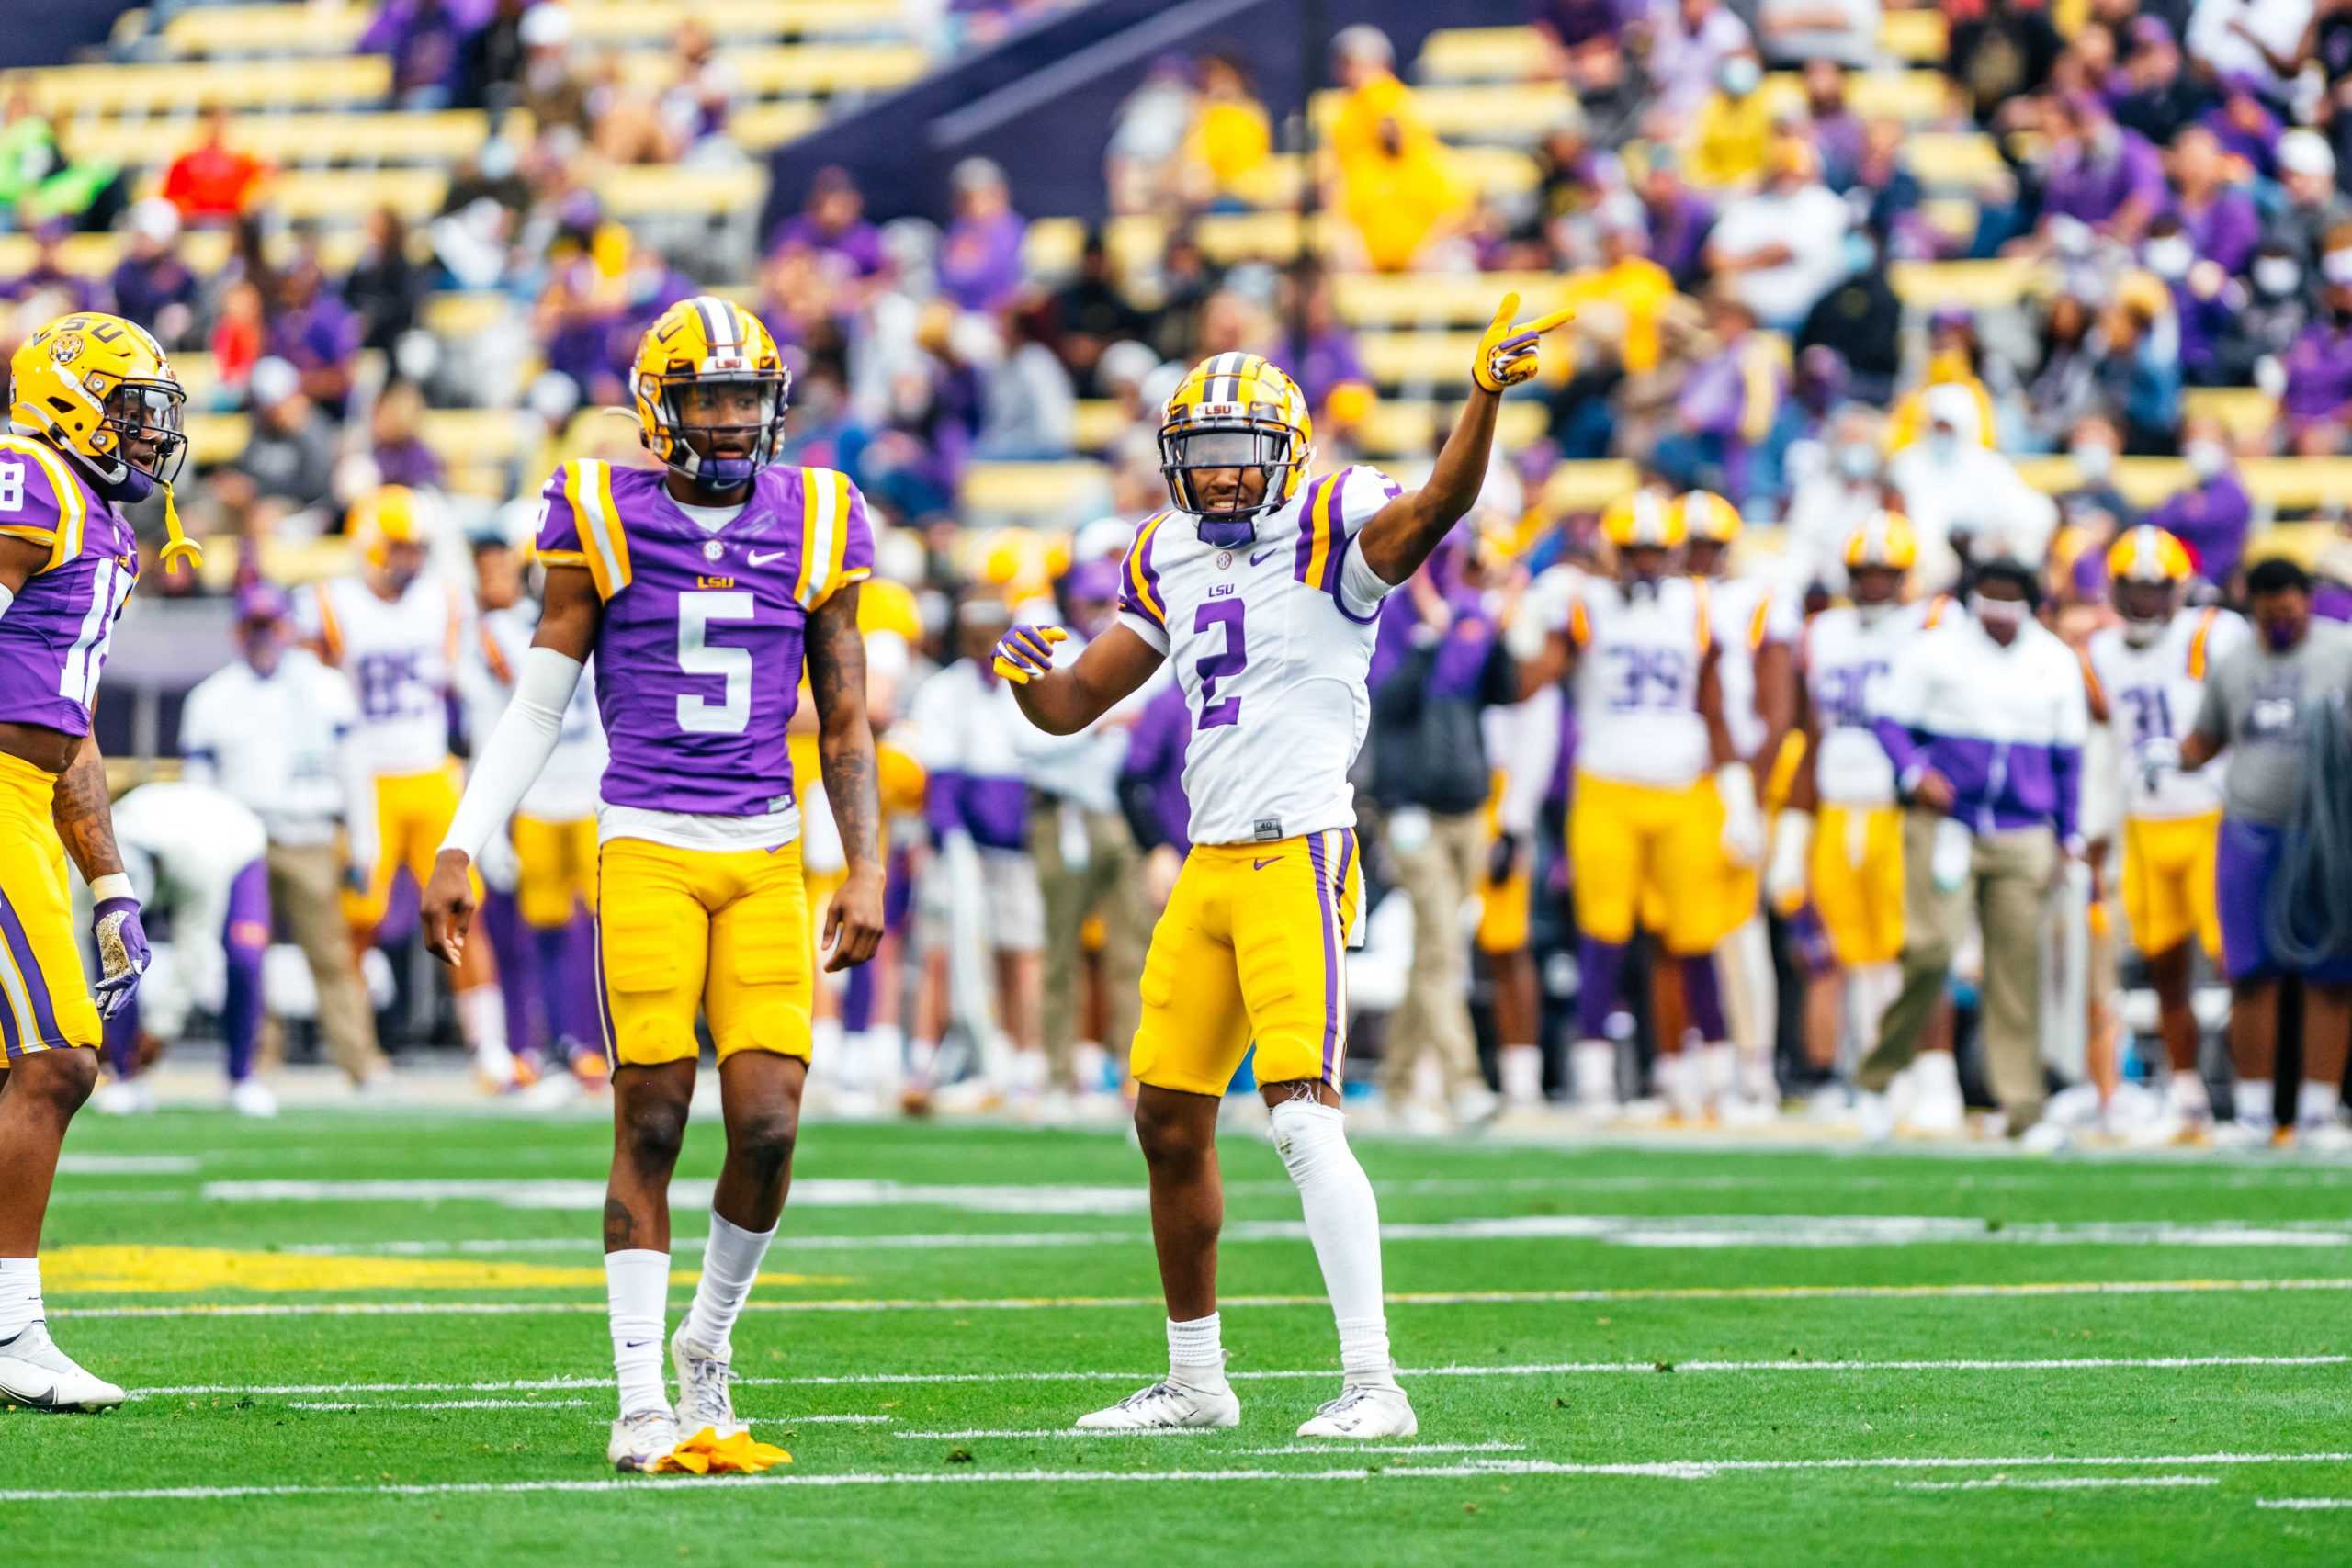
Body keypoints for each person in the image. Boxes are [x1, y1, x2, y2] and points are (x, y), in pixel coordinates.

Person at [990, 300, 1572, 1438]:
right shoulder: (1162, 554)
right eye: (1198, 461)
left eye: (1235, 459)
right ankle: (1197, 1381)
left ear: (1286, 457)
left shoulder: (1330, 523)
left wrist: (1483, 399)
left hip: (1297, 848)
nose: (1215, 481)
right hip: (1208, 863)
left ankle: (1375, 1386)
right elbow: (1074, 703)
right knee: (1164, 1118)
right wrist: (1028, 675)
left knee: (1303, 1121)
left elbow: (1436, 509)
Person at [421, 297, 885, 1472]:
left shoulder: (823, 514)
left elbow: (843, 719)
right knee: (656, 1116)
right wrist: (464, 842)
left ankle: (707, 1349)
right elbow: (541, 698)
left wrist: (864, 862)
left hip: (767, 850)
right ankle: (636, 1397)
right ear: (658, 409)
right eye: (709, 398)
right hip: (646, 845)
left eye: (747, 398)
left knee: (771, 1125)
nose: (732, 421)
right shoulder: (598, 511)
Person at [0, 313, 194, 1411]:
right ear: (68, 399)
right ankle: (11, 1330)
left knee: (18, 1070)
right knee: (61, 1058)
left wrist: (111, 883)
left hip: (27, 796)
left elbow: (64, 726)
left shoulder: (93, 520)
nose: (144, 433)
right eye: (127, 407)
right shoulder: (26, 478)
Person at [1535, 491, 1758, 1121]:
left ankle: (1717, 1075)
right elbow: (1535, 681)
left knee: (1697, 936)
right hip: (1606, 783)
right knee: (1602, 935)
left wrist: (1739, 796)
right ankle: (1595, 1075)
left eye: (1654, 553)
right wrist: (1531, 621)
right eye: (1633, 552)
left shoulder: (1700, 606)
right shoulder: (1584, 605)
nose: (1643, 565)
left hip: (1685, 785)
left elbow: (1713, 707)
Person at [1861, 556, 2090, 1139]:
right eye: (1988, 599)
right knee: (1932, 950)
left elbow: (2069, 757)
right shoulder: (1935, 650)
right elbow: (1887, 719)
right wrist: (1914, 773)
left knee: (2016, 969)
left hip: (2021, 829)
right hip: (1948, 823)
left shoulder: (2055, 661)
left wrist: (2068, 833)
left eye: (2010, 600)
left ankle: (2021, 1108)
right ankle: (1879, 1077)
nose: (1998, 613)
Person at [306, 486, 512, 1086]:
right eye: (397, 546)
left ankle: (489, 1048)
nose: (407, 559)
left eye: (414, 548)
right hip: (365, 781)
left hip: (429, 774)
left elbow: (469, 692)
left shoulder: (444, 602)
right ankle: (354, 1042)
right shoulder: (332, 602)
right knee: (357, 920)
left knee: (459, 913)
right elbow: (317, 699)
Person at [180, 582, 386, 1089]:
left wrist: (363, 841)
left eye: (271, 625)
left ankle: (358, 1061)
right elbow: (197, 786)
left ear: (289, 628)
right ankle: (254, 1062)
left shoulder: (324, 687)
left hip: (311, 831)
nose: (264, 636)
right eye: (254, 626)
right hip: (243, 837)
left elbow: (353, 770)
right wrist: (206, 847)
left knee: (332, 955)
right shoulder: (212, 697)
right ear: (237, 631)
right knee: (248, 953)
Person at [2180, 556, 2352, 1146]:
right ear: (2251, 607)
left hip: (2328, 831)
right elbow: (2205, 740)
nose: (2281, 621)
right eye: (2268, 612)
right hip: (2251, 829)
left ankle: (2317, 1111)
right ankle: (2254, 1111)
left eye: (2290, 610)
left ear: (2307, 601)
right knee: (2251, 971)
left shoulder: (2343, 652)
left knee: (2332, 971)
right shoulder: (2233, 661)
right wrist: (2161, 756)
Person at [2086, 527, 2251, 1143]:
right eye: (2132, 588)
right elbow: (2104, 745)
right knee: (2163, 967)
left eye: (2156, 588)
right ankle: (2186, 1094)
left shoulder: (2214, 633)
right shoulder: (2100, 650)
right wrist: (2097, 826)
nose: (2144, 601)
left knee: (2236, 962)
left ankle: (2254, 1086)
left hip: (2212, 815)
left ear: (2178, 587)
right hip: (2143, 824)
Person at [1771, 514, 1936, 1104]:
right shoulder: (1824, 633)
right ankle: (1857, 1072)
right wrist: (1795, 829)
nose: (1872, 585)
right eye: (1863, 574)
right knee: (1842, 951)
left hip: (1900, 808)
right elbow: (1808, 731)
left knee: (1901, 948)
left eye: (1884, 574)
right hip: (1838, 803)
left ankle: (1901, 1068)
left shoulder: (1929, 627)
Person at [1367, 532, 1518, 1131]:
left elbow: (1500, 694)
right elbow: (1385, 702)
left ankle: (1400, 1084)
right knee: (1441, 942)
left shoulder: (1472, 615)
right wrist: (1430, 639)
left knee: (1436, 948)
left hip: (1465, 803)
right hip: (1410, 807)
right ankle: (1463, 1083)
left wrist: (1498, 630)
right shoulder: (1385, 614)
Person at [469, 527, 608, 1087]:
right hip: (539, 797)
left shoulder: (607, 621)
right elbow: (490, 726)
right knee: (545, 930)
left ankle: (604, 1043)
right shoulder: (500, 634)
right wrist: (492, 823)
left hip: (594, 792)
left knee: (609, 930)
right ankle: (560, 1043)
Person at [1684, 491, 1796, 1116]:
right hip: (1685, 777)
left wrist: (1748, 792)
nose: (1701, 558)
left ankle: (1757, 1064)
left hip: (1739, 779)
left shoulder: (1756, 598)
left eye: (1710, 545)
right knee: (1698, 930)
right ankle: (1713, 1062)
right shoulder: (1673, 601)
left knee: (1743, 925)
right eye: (1692, 545)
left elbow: (1776, 708)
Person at [90, 782, 274, 1119]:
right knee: (112, 951)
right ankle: (124, 1075)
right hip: (169, 847)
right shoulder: (90, 854)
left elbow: (196, 950)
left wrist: (161, 1027)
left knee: (244, 960)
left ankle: (242, 1076)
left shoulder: (201, 862)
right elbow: (72, 938)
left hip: (235, 850)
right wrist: (84, 1018)